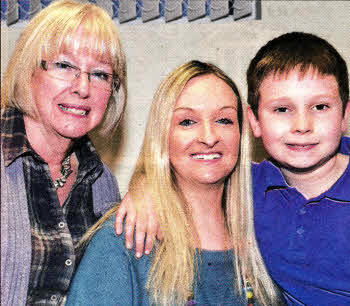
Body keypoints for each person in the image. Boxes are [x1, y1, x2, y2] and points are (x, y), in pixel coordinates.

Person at [116, 32, 350, 305]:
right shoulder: (248, 187)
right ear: (254, 121)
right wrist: (144, 187)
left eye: (320, 107)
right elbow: (192, 172)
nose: (302, 125)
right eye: (282, 109)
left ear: (345, 115)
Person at [66, 61, 284, 305]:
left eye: (224, 120)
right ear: (163, 136)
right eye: (187, 122)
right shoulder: (124, 241)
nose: (209, 137)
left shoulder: (268, 236)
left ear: (241, 133)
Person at [1, 0, 126, 304]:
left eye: (99, 74)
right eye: (64, 65)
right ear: (29, 70)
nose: (82, 87)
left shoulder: (102, 182)